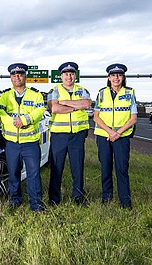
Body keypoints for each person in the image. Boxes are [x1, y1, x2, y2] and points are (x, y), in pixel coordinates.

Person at [0, 63, 46, 211]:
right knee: (13, 173)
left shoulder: (36, 94)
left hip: (30, 143)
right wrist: (14, 122)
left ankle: (36, 204)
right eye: (14, 75)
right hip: (11, 143)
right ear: (11, 78)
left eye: (20, 74)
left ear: (25, 76)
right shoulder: (5, 96)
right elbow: (0, 113)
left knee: (34, 174)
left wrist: (25, 120)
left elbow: (39, 111)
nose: (17, 77)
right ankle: (15, 200)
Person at [93, 63, 137, 209]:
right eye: (113, 75)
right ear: (109, 77)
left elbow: (133, 118)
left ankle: (125, 201)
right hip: (103, 136)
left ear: (123, 77)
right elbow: (96, 117)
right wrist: (110, 132)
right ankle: (107, 198)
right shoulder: (101, 93)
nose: (116, 77)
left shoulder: (130, 93)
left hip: (122, 137)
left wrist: (117, 133)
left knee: (122, 168)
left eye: (119, 75)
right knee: (105, 167)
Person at [47, 62, 91, 206]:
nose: (69, 76)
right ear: (61, 76)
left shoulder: (82, 90)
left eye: (71, 74)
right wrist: (75, 106)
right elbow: (54, 108)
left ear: (75, 75)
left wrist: (65, 102)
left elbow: (86, 105)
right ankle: (54, 198)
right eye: (66, 74)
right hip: (59, 135)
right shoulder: (54, 91)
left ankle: (78, 196)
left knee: (77, 167)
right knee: (56, 167)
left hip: (77, 135)